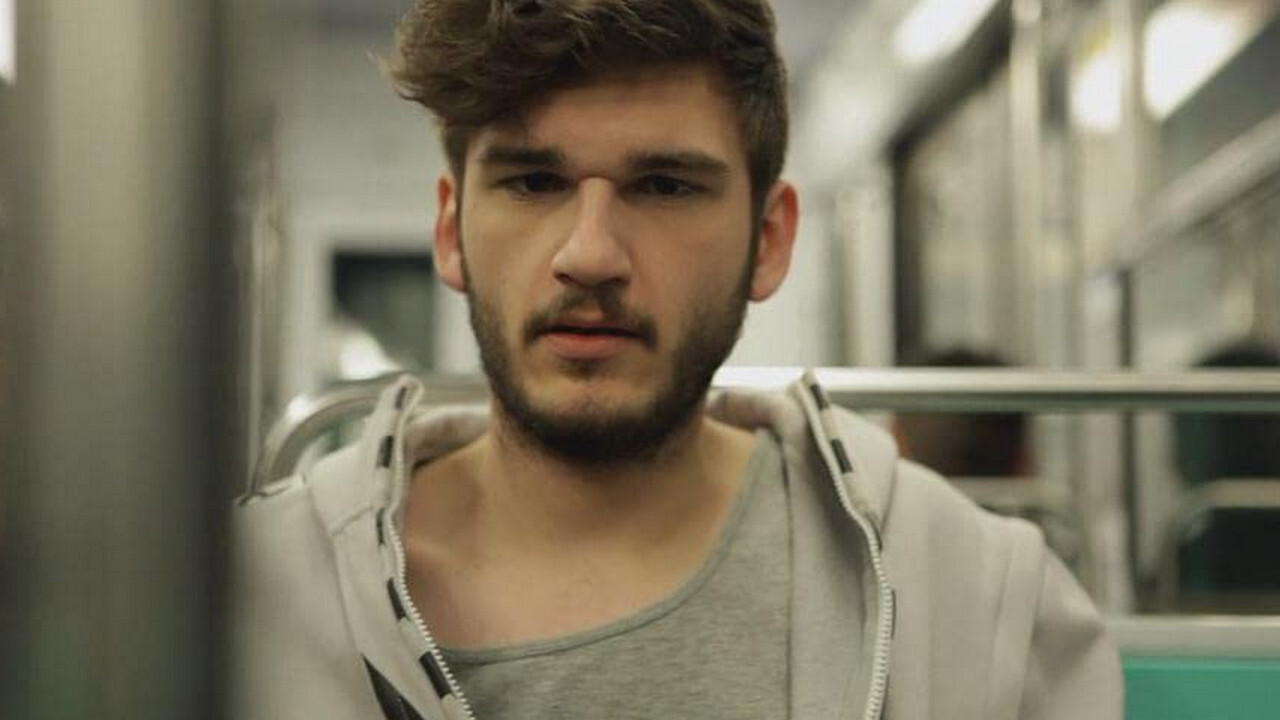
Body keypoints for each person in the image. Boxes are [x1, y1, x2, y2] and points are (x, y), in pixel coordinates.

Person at [233, 1, 1122, 718]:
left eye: (664, 186)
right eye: (533, 181)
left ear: (769, 240)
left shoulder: (978, 606)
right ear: (450, 229)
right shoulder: (248, 607)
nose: (589, 254)